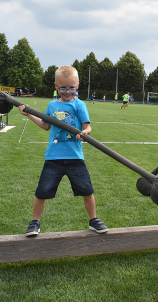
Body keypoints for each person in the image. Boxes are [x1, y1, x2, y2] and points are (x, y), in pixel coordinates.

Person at [18, 65, 108, 236]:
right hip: (53, 158)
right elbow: (45, 125)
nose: (67, 91)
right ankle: (35, 222)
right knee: (42, 191)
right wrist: (29, 114)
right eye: (63, 88)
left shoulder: (79, 105)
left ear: (77, 86)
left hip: (75, 157)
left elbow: (87, 127)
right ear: (56, 86)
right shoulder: (52, 106)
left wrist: (84, 133)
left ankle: (93, 220)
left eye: (71, 88)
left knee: (87, 191)